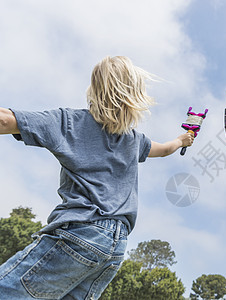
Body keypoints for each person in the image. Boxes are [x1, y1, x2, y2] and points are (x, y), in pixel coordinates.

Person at [0, 56, 194, 299]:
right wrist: (182, 140)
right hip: (113, 249)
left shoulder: (70, 123)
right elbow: (165, 149)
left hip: (80, 232)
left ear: (94, 89)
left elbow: (6, 119)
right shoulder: (134, 140)